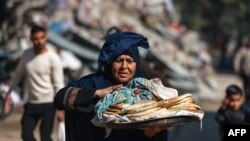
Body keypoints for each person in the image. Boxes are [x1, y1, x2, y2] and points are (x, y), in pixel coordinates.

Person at [54, 32, 169, 141]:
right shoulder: (91, 83)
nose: (124, 66)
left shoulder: (146, 91)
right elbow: (61, 98)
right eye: (119, 60)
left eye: (129, 61)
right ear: (110, 62)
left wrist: (150, 133)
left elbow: (160, 135)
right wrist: (96, 93)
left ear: (136, 64)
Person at [4, 25, 64, 141]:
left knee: (45, 137)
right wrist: (9, 91)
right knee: (26, 135)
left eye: (42, 38)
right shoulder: (27, 55)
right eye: (36, 39)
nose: (39, 41)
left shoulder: (53, 58)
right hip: (31, 103)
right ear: (31, 39)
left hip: (48, 103)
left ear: (46, 38)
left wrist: (61, 109)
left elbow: (58, 84)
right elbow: (18, 74)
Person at [234, 37, 250, 102]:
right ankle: (247, 99)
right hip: (245, 72)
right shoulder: (243, 50)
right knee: (247, 86)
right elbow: (237, 58)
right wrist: (236, 67)